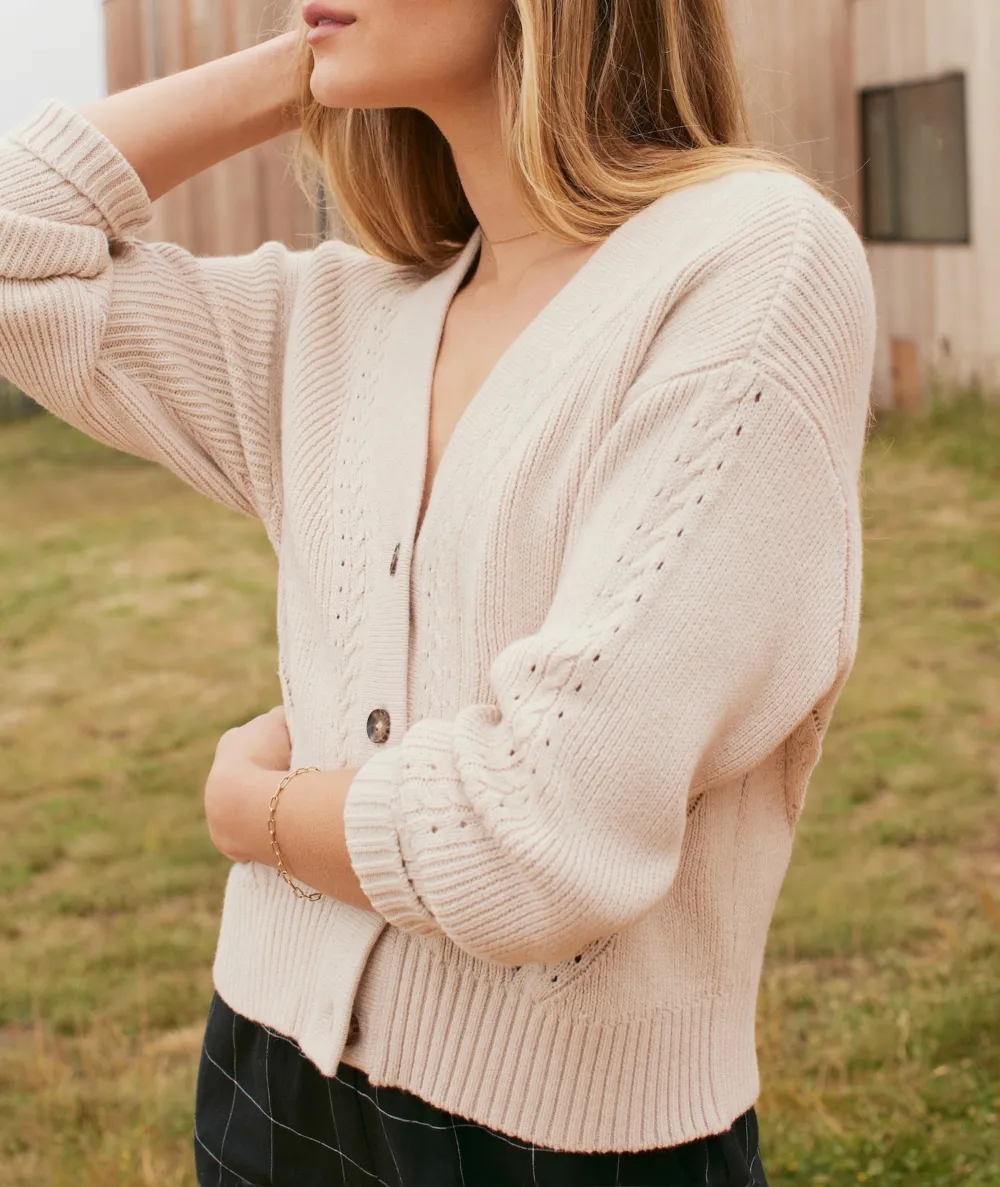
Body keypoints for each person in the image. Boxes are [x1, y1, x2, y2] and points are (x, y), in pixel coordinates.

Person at [0, 1, 876, 1183]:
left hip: (562, 1136)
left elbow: (540, 837)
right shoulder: (338, 318)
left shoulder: (752, 259)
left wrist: (257, 818)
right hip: (263, 1067)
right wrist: (303, 63)